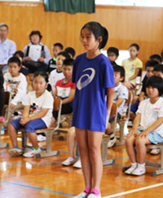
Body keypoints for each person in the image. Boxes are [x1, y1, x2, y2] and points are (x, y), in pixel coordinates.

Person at [72, 21, 115, 198]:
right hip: (81, 110)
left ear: (98, 39)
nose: (84, 40)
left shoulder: (104, 63)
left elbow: (110, 91)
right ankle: (87, 188)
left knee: (94, 149)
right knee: (82, 150)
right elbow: (77, 86)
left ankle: (96, 190)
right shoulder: (79, 60)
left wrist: (106, 115)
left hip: (97, 112)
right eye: (82, 37)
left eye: (88, 37)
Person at [124, 76, 163, 176]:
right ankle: (133, 164)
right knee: (128, 139)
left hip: (158, 132)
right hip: (143, 129)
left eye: (153, 88)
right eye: (148, 87)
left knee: (140, 140)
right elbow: (138, 117)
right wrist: (135, 129)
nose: (150, 90)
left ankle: (141, 167)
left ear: (160, 89)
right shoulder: (144, 103)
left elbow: (160, 121)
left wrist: (147, 131)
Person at [8, 71, 54, 157]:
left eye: (41, 83)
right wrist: (24, 118)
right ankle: (16, 148)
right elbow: (26, 109)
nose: (38, 85)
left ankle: (36, 148)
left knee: (29, 126)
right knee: (12, 124)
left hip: (43, 120)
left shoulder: (48, 96)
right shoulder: (30, 94)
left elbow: (43, 113)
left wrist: (28, 119)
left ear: (46, 85)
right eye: (35, 82)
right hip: (30, 118)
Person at [107, 65, 128, 148]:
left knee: (102, 120)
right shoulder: (107, 87)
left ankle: (111, 136)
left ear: (121, 78)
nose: (112, 76)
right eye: (111, 74)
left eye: (115, 75)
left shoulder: (122, 89)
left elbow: (118, 103)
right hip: (105, 111)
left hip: (116, 113)